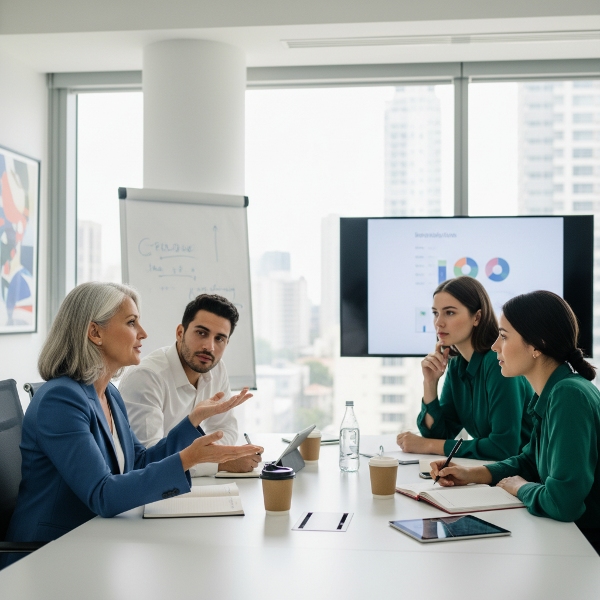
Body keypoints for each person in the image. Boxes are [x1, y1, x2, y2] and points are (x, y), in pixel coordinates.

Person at [2, 283, 262, 568]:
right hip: (47, 555)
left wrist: (192, 421)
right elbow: (103, 494)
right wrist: (188, 458)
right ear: (95, 333)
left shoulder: (108, 393)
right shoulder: (60, 399)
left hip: (94, 539)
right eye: (131, 322)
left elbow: (137, 460)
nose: (143, 334)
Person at [431, 291, 600, 552]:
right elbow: (530, 460)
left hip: (585, 548)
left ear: (537, 345)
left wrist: (520, 487)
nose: (495, 345)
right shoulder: (553, 392)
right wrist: (474, 474)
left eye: (504, 336)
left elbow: (563, 503)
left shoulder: (569, 395)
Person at [119, 293, 260, 476]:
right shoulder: (146, 377)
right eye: (201, 333)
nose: (209, 347)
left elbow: (226, 428)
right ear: (180, 333)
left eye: (219, 339)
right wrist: (221, 463)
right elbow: (147, 459)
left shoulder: (216, 368)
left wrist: (216, 455)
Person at [396, 277, 532, 460]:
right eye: (436, 313)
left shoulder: (497, 361)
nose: (439, 323)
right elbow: (440, 436)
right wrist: (430, 383)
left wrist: (427, 445)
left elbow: (503, 448)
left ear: (477, 317)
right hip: (496, 474)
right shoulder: (456, 364)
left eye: (449, 313)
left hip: (528, 478)